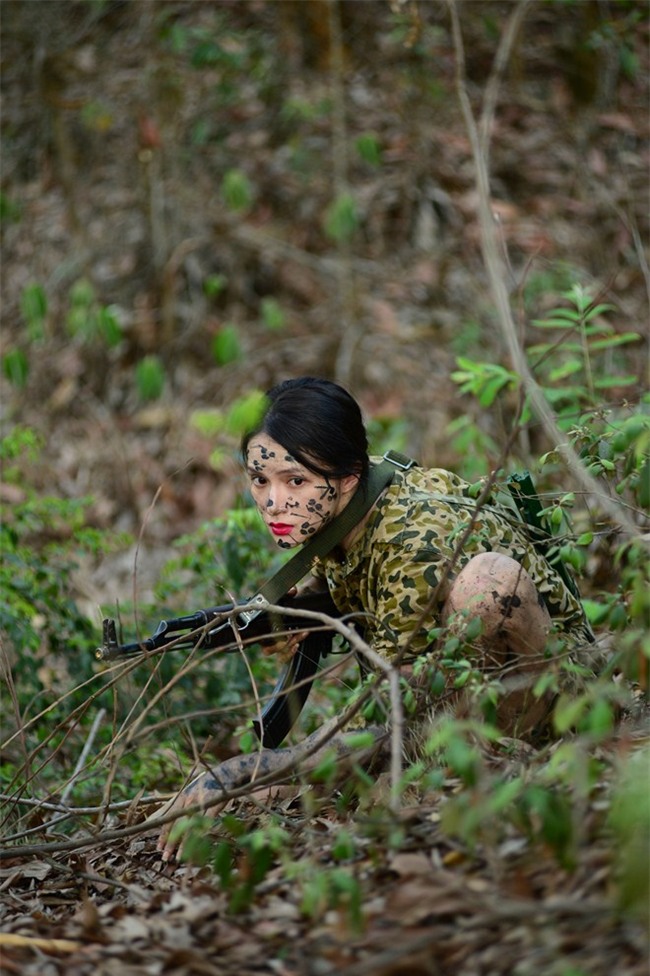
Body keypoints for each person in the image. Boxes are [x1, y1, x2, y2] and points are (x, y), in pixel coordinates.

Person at [156, 376, 595, 859]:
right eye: (260, 480)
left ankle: (504, 773)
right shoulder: (351, 500)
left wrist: (242, 772)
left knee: (489, 583)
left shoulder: (412, 538)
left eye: (295, 481)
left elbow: (394, 721)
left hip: (560, 706)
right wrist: (311, 607)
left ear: (348, 477)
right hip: (465, 694)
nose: (274, 502)